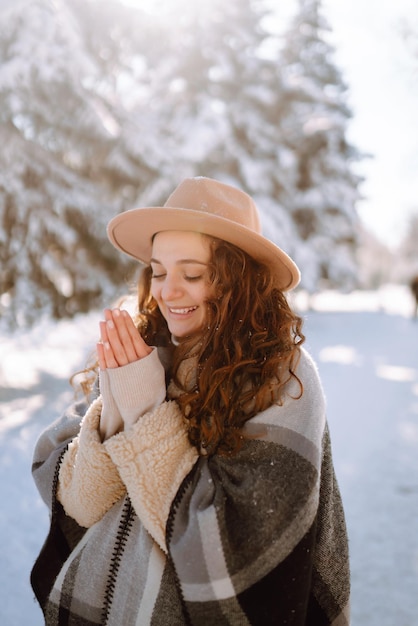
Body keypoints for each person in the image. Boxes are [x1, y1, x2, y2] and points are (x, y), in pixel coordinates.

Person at [31, 177, 350, 625]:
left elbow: (238, 551)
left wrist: (145, 413)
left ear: (240, 280)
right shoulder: (144, 350)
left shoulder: (283, 377)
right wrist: (122, 403)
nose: (167, 291)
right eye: (158, 272)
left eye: (193, 274)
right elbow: (81, 506)